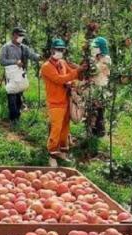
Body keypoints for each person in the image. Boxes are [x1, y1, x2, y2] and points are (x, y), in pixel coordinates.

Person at [41, 39, 87, 167]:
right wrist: (76, 72)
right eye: (58, 49)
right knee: (56, 128)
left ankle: (61, 151)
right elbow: (59, 79)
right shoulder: (46, 67)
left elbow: (71, 75)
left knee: (65, 128)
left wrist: (81, 71)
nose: (60, 52)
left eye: (62, 50)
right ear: (51, 50)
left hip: (66, 100)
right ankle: (51, 153)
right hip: (55, 102)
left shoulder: (62, 63)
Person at [0, 27, 41, 127]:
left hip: (20, 76)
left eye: (22, 36)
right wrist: (15, 62)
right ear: (13, 35)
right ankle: (13, 119)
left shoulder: (24, 48)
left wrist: (41, 57)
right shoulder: (6, 47)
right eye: (19, 35)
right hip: (11, 76)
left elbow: (33, 55)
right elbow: (2, 61)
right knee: (12, 96)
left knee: (18, 97)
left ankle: (17, 117)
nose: (21, 38)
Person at [85, 36, 112, 137]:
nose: (94, 49)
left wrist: (91, 63)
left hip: (101, 86)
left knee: (99, 109)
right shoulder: (94, 57)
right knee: (91, 108)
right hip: (93, 86)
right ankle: (91, 130)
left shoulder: (106, 59)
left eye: (96, 47)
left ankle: (100, 131)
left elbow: (95, 70)